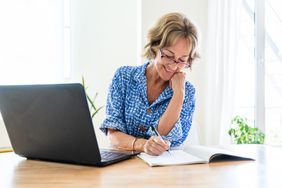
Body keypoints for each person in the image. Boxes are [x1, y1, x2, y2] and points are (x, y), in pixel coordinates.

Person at [100, 12, 199, 156]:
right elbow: (113, 135)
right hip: (122, 167)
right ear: (155, 47)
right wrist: (143, 145)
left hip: (162, 171)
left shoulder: (187, 92)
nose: (173, 66)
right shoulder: (124, 77)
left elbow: (166, 139)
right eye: (169, 56)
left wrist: (178, 94)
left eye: (182, 60)